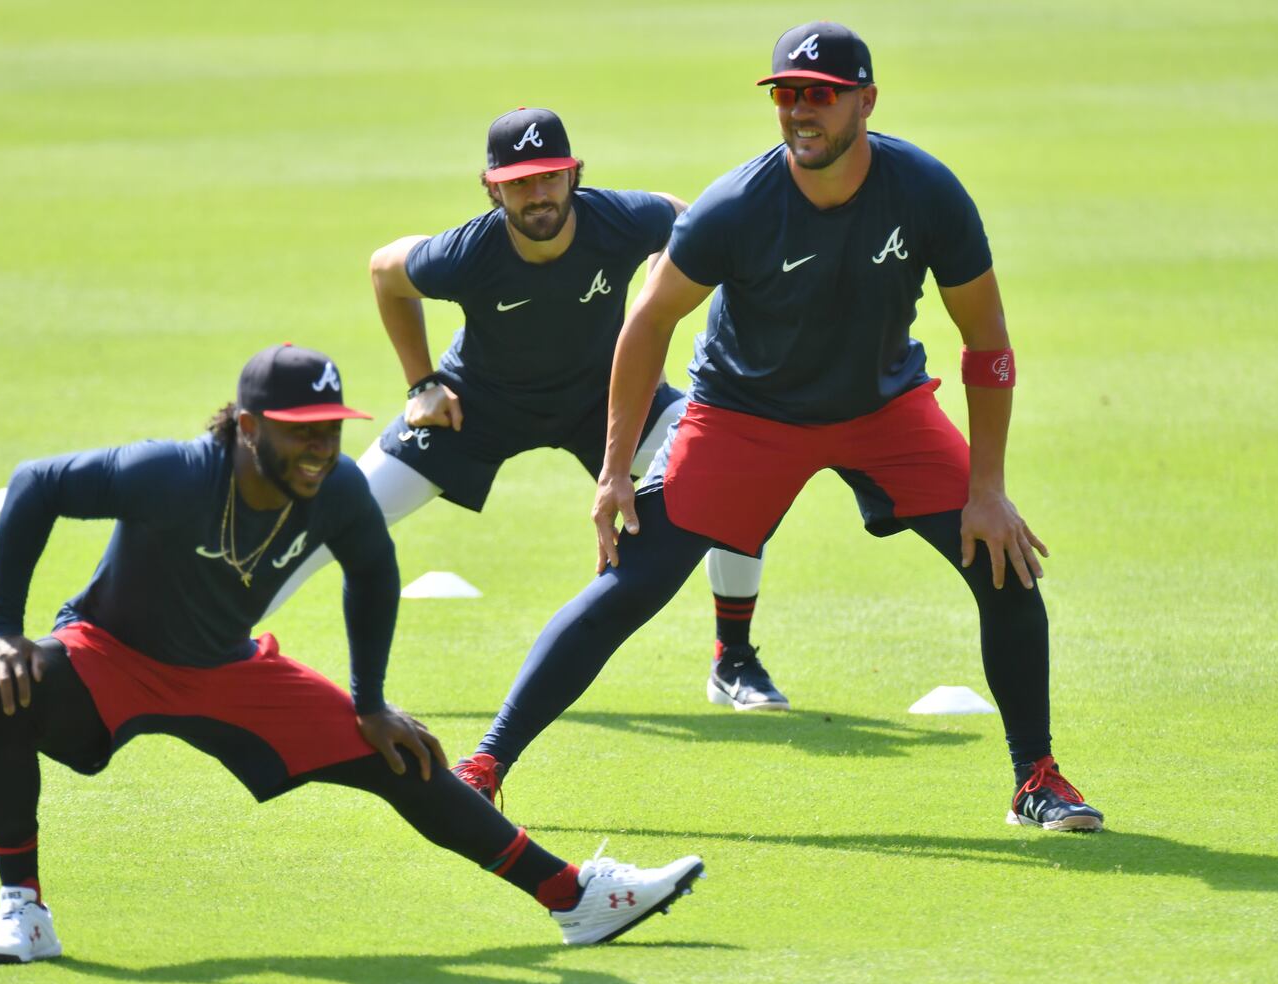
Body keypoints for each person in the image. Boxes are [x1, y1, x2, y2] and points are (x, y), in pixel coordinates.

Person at [455, 23, 1104, 832]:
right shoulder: (738, 205)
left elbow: (988, 342)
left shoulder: (926, 191)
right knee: (634, 580)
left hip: (883, 411)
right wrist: (615, 470)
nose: (801, 111)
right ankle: (484, 765)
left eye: (821, 96)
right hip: (745, 416)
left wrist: (989, 488)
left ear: (866, 101)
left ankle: (1035, 779)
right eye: (788, 94)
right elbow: (647, 323)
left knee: (1004, 562)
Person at [0, 343, 703, 964]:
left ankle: (574, 898)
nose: (319, 448)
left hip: (229, 668)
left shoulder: (338, 489)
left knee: (400, 752)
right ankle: (23, 909)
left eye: (330, 428)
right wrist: (0, 629)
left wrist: (370, 703)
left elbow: (373, 575)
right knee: (4, 685)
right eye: (299, 431)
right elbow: (36, 485)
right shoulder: (173, 473)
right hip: (111, 654)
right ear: (248, 426)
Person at [265, 109, 792, 794]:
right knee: (337, 515)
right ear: (492, 189)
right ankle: (219, 643)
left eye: (549, 178)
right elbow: (384, 271)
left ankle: (734, 660)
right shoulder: (464, 254)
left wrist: (654, 306)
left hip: (603, 401)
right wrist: (421, 383)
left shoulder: (620, 219)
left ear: (574, 176)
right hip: (476, 407)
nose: (537, 195)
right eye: (518, 183)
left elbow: (682, 220)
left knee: (729, 472)